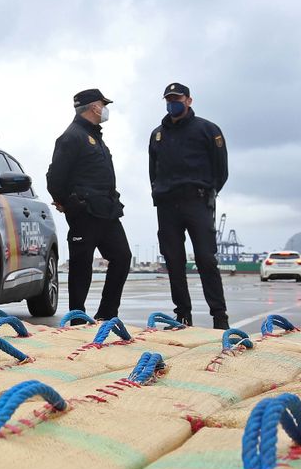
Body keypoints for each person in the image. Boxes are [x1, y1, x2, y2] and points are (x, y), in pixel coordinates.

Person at [148, 82, 229, 329]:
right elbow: (153, 170)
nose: (173, 102)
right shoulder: (157, 134)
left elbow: (221, 170)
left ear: (189, 100)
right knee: (174, 261)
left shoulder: (208, 129)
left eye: (178, 98)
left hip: (197, 201)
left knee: (206, 259)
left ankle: (219, 317)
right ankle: (183, 315)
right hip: (167, 205)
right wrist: (158, 192)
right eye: (169, 99)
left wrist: (208, 194)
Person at [46, 88, 129, 321]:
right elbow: (55, 178)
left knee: (122, 257)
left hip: (107, 212)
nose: (105, 110)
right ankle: (77, 317)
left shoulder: (96, 137)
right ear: (94, 107)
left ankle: (106, 314)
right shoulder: (71, 136)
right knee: (81, 266)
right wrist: (70, 205)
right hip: (85, 213)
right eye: (103, 105)